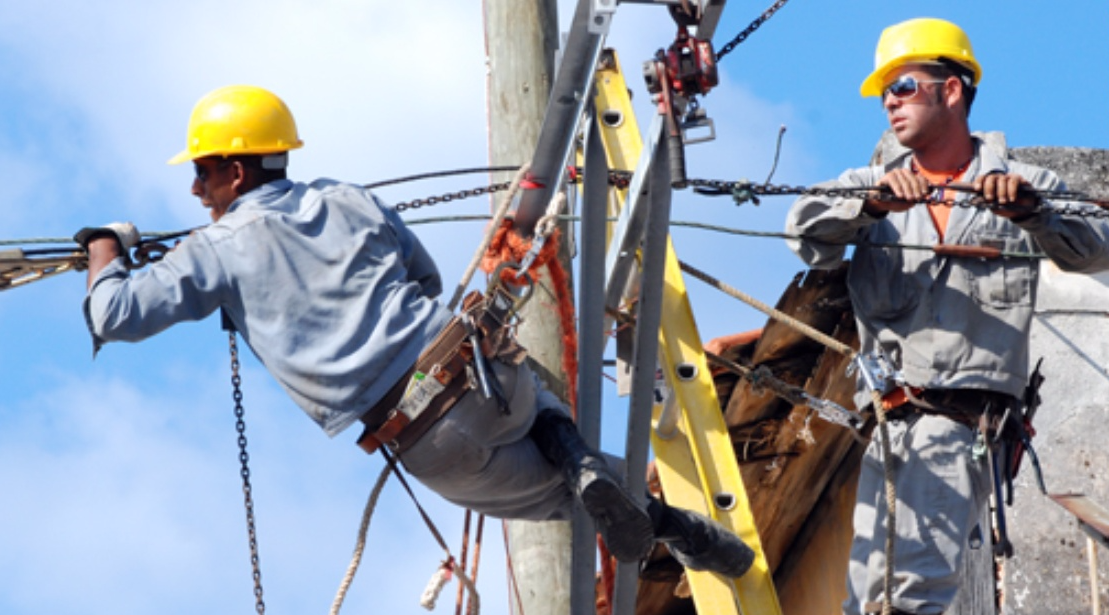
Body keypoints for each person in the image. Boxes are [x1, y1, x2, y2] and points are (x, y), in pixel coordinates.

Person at [76, 84, 755, 578]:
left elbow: (113, 315)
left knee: (560, 503)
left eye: (201, 173)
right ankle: (580, 456)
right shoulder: (347, 196)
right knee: (544, 406)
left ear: (235, 169)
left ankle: (681, 532)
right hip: (476, 366)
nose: (196, 191)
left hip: (426, 432)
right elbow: (426, 280)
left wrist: (103, 245)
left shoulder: (213, 246)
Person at [785, 17, 1109, 615]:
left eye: (902, 85)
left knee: (914, 591)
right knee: (868, 597)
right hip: (889, 424)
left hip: (960, 421)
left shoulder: (1023, 184)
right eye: (884, 92)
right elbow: (803, 230)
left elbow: (1094, 248)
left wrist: (1034, 214)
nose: (888, 102)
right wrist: (871, 203)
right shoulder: (875, 184)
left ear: (950, 89)